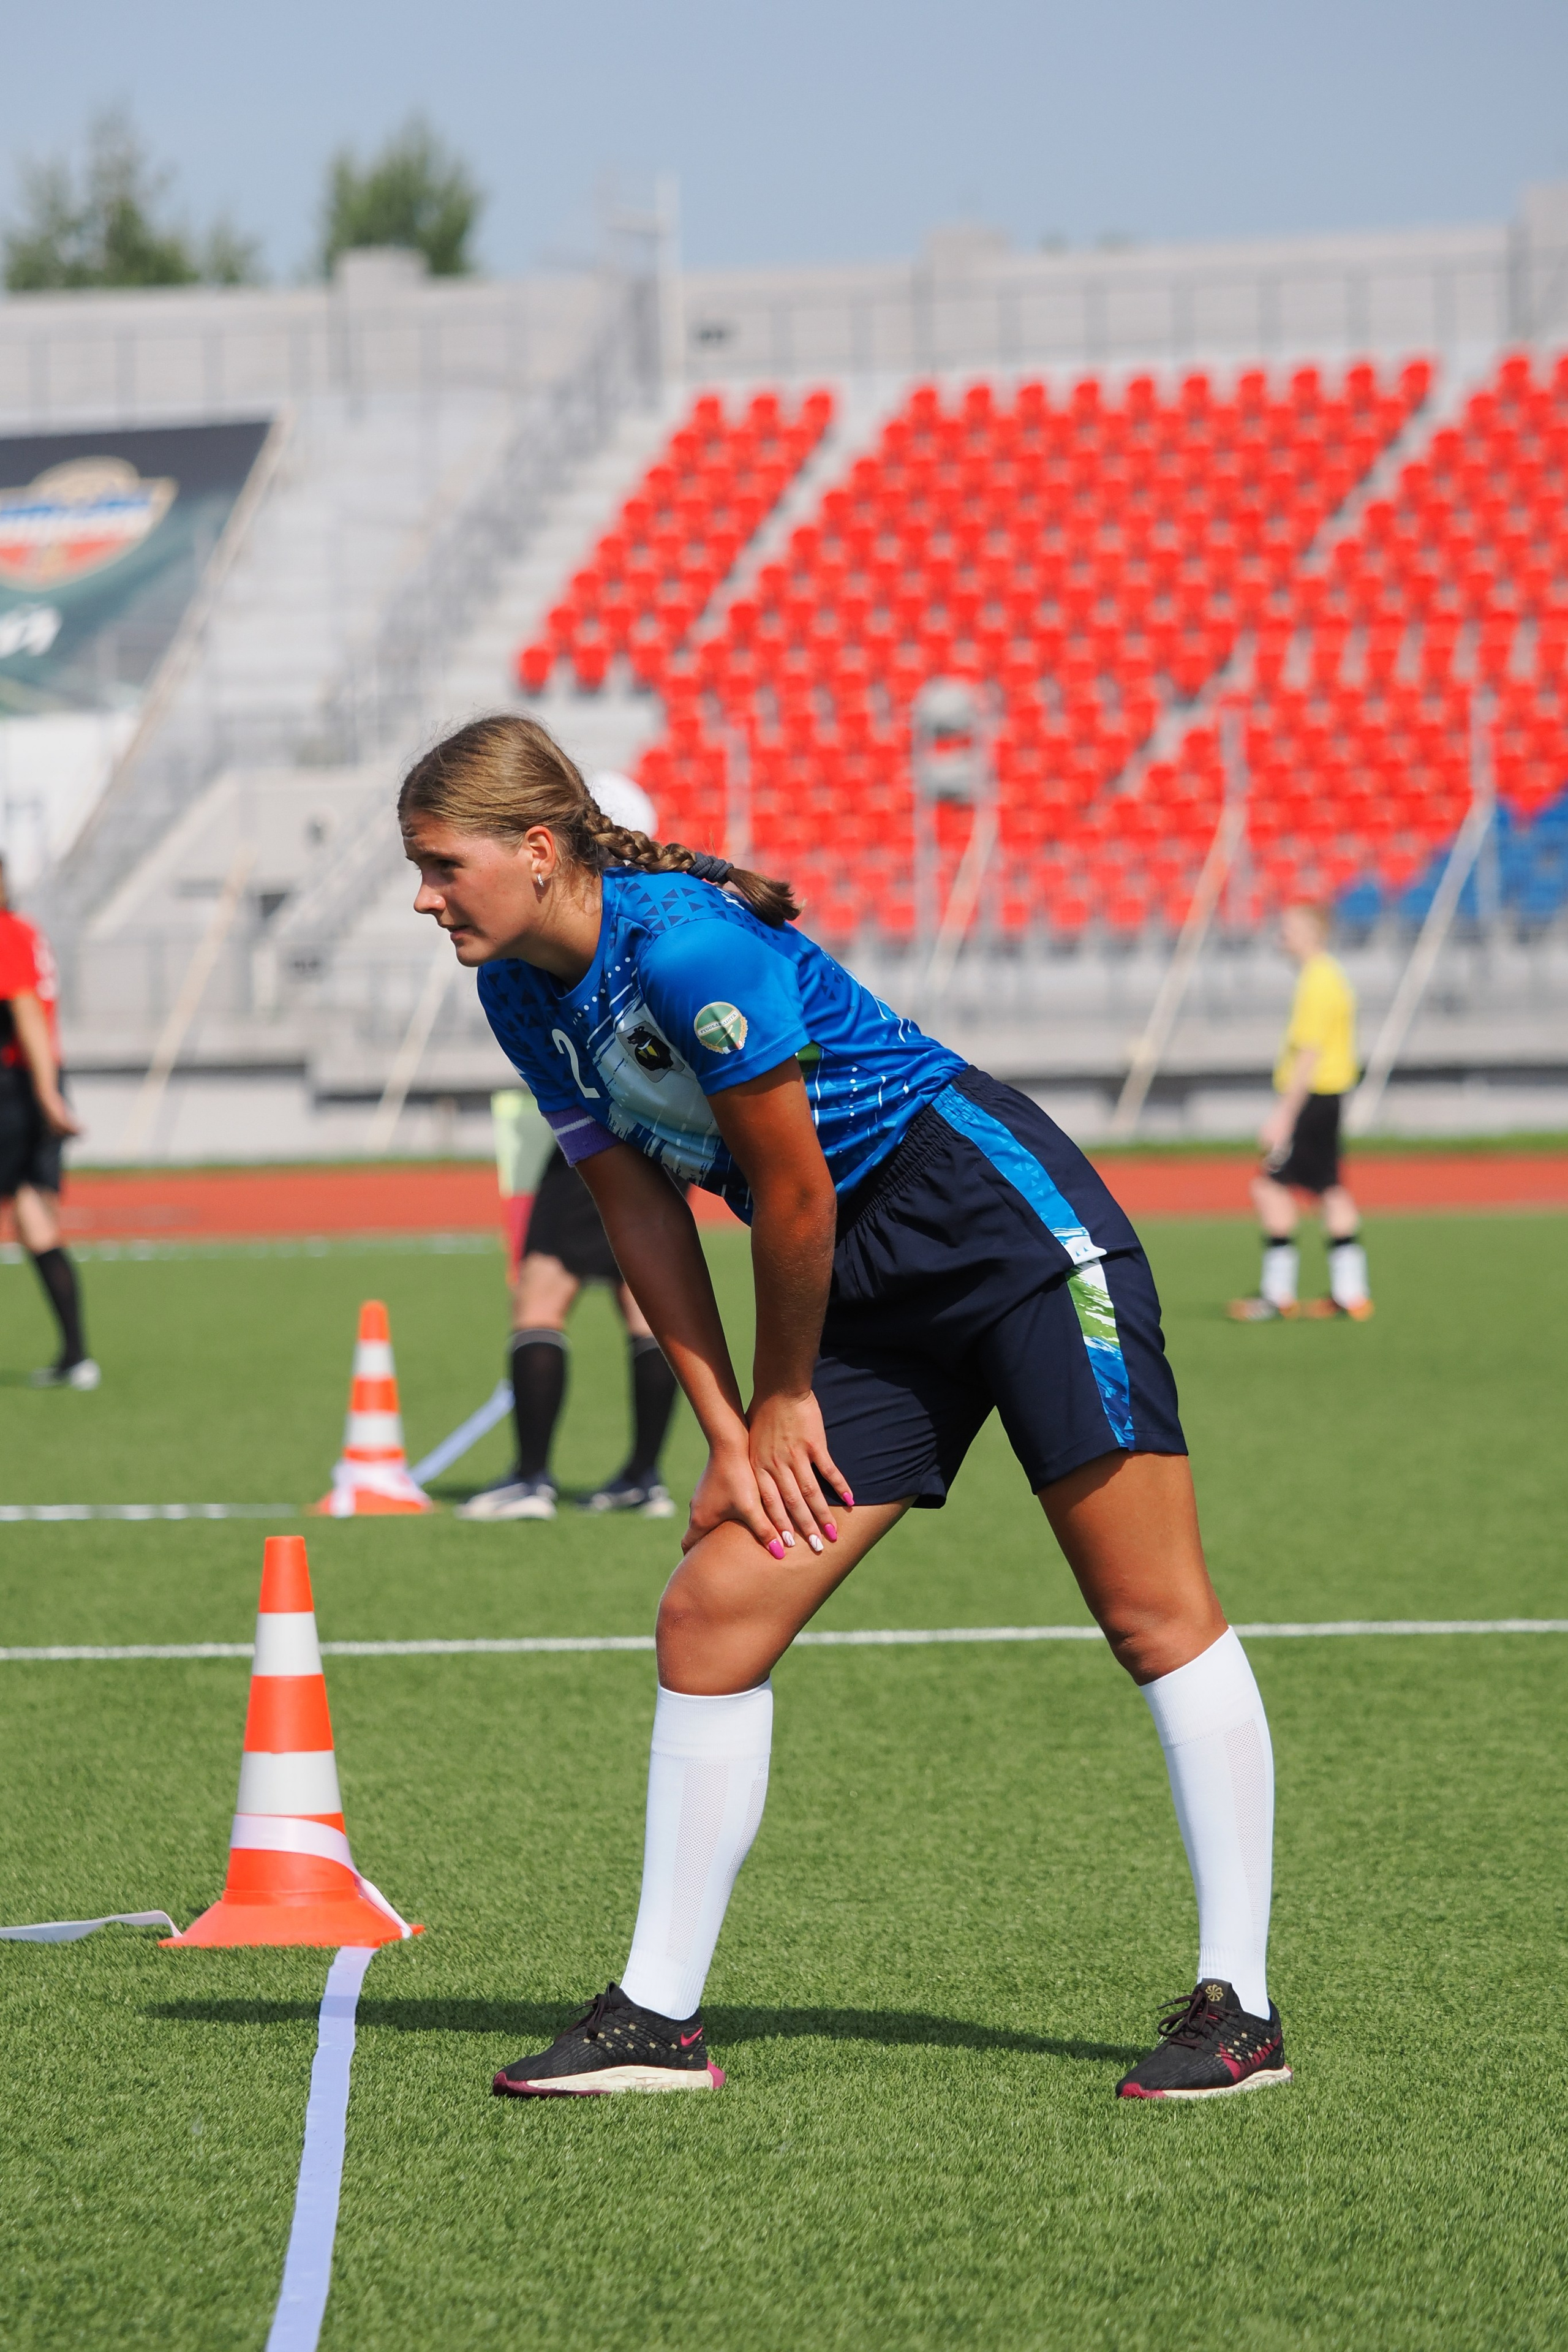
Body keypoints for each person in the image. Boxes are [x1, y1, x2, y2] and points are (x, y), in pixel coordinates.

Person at [401, 714, 1290, 2105]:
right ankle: (655, 2016)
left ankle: (1240, 2008)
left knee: (1147, 1607)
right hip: (849, 1282)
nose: (423, 895)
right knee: (709, 1612)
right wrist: (721, 1433)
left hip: (1003, 1234)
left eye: (439, 864)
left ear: (533, 848)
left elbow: (793, 1188)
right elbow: (637, 1213)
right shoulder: (518, 989)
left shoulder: (686, 945)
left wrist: (782, 1397)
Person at [460, 773, 679, 1523]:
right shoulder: (653, 917)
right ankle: (642, 1478)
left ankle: (532, 1478)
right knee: (645, 1302)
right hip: (657, 1130)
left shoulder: (598, 929)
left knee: (543, 1294)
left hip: (601, 1129)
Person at [1229, 902, 1371, 1324]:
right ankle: (1351, 1293)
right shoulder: (1330, 976)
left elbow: (1308, 1052)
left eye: (1288, 930)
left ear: (1313, 934)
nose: (1281, 938)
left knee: (1269, 1187)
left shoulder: (1317, 980)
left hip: (1311, 1099)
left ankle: (1277, 1294)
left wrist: (1282, 1117)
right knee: (1329, 1188)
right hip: (1328, 1097)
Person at [0, 855, 98, 1390]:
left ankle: (77, 1355)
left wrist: (43, 1095)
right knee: (34, 1218)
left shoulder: (4, 934)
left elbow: (26, 1013)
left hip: (16, 1090)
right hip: (33, 1085)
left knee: (33, 1216)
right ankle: (76, 1356)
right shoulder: (23, 930)